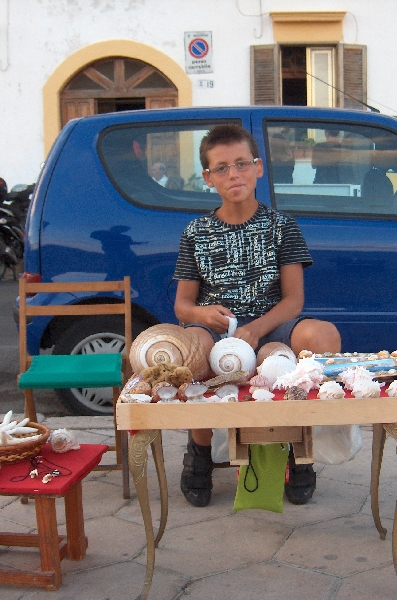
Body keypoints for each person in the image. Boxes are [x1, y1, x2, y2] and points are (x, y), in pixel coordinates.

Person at [173, 123, 341, 507]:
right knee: (191, 345)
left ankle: (301, 449)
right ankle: (199, 449)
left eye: (241, 164)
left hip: (271, 326)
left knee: (323, 336)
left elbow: (294, 300)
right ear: (208, 177)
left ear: (258, 168)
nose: (233, 174)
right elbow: (182, 307)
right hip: (218, 332)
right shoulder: (196, 231)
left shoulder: (283, 227)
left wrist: (257, 328)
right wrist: (203, 313)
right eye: (222, 167)